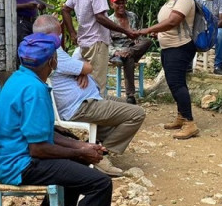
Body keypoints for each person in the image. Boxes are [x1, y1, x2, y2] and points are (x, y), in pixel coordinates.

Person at [0, 33, 113, 206]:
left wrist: (81, 146)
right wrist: (80, 151)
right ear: (53, 61)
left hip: (14, 156)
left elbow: (44, 134)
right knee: (100, 184)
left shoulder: (20, 78)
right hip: (21, 165)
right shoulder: (35, 90)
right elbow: (39, 149)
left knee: (75, 151)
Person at [32, 15, 145, 177]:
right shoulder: (50, 51)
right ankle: (100, 156)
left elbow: (80, 65)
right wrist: (83, 70)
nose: (61, 35)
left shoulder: (45, 49)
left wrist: (82, 71)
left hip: (91, 98)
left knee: (127, 108)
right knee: (136, 114)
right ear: (52, 33)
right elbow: (86, 66)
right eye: (60, 32)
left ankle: (91, 146)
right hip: (80, 105)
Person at [137, 0, 199, 140]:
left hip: (179, 47)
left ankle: (189, 123)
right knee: (174, 83)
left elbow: (172, 21)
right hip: (169, 46)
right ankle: (181, 116)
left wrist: (147, 30)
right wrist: (158, 32)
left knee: (177, 84)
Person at [62, 0, 137, 96]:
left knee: (86, 81)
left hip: (84, 42)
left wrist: (73, 33)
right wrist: (125, 31)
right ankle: (96, 114)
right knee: (97, 85)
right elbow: (100, 17)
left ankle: (88, 111)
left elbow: (65, 9)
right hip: (96, 43)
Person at [107, 0, 153, 103]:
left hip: (133, 48)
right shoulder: (109, 21)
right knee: (128, 58)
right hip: (117, 53)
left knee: (147, 41)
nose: (121, 5)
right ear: (112, 4)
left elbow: (137, 33)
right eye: (118, 3)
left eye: (123, 2)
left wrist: (136, 39)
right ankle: (130, 95)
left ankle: (128, 52)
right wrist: (116, 52)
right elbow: (107, 43)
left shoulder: (132, 16)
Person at [194, 0, 222, 75]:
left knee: (221, 33)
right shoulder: (196, 0)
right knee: (188, 34)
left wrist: (209, 29)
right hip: (200, 28)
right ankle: (187, 64)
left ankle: (218, 65)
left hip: (216, 28)